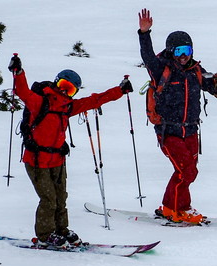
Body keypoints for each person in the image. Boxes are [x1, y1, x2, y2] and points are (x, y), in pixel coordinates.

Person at [9, 54, 131, 246]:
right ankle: (45, 235)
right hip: (36, 160)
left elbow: (94, 100)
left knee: (60, 198)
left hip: (57, 160)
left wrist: (119, 91)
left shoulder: (67, 107)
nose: (65, 92)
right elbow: (22, 91)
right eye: (64, 86)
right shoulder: (41, 102)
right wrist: (18, 71)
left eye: (71, 89)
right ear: (57, 83)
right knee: (48, 199)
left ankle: (61, 230)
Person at [137, 8, 217, 225]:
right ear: (171, 50)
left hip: (190, 130)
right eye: (179, 50)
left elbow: (211, 84)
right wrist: (144, 33)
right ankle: (177, 209)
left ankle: (173, 207)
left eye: (187, 49)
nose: (183, 55)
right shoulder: (162, 69)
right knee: (186, 170)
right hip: (168, 130)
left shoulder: (195, 70)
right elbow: (148, 57)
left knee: (187, 172)